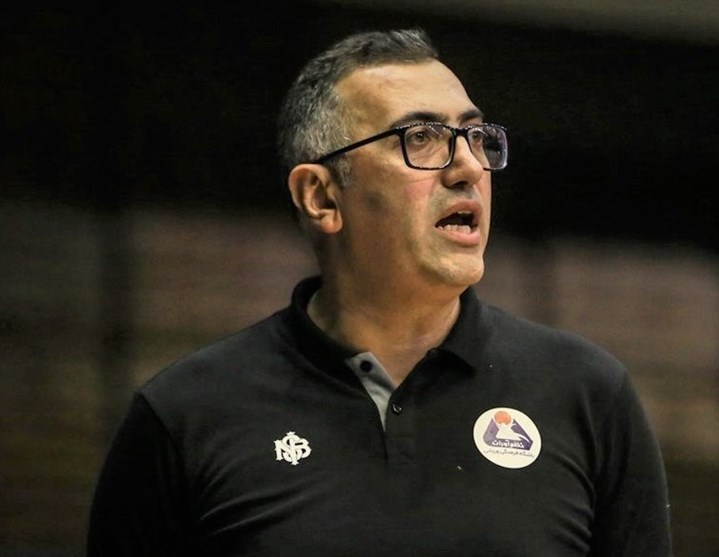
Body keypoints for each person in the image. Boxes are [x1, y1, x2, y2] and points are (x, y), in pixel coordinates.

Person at [87, 28, 672, 556]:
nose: (468, 167)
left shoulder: (587, 394)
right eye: (421, 138)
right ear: (321, 197)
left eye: (475, 137)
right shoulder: (186, 414)